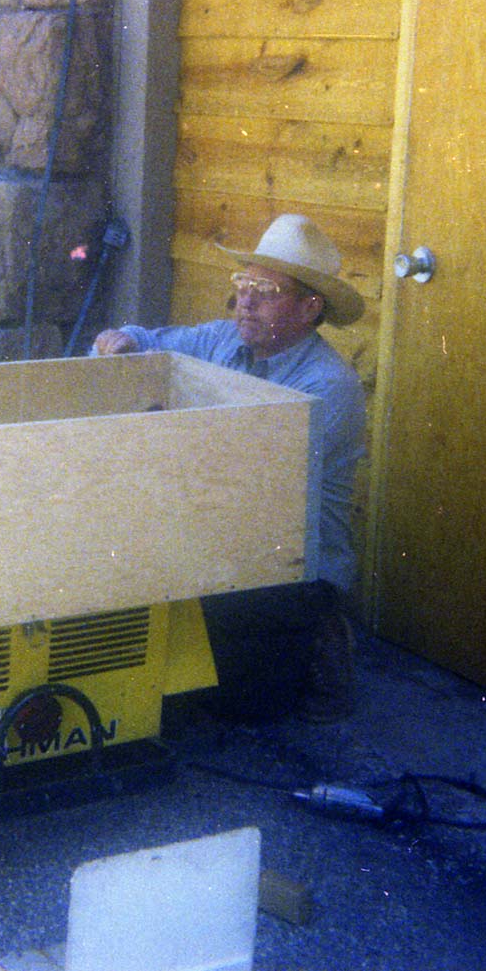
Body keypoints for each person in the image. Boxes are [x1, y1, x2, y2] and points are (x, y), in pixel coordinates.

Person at [93, 213, 366, 722]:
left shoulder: (329, 385)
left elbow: (248, 479)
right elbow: (142, 339)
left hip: (288, 559)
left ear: (310, 307)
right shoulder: (222, 340)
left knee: (243, 707)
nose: (247, 300)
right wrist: (124, 343)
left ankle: (326, 635)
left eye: (267, 290)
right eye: (243, 283)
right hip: (217, 527)